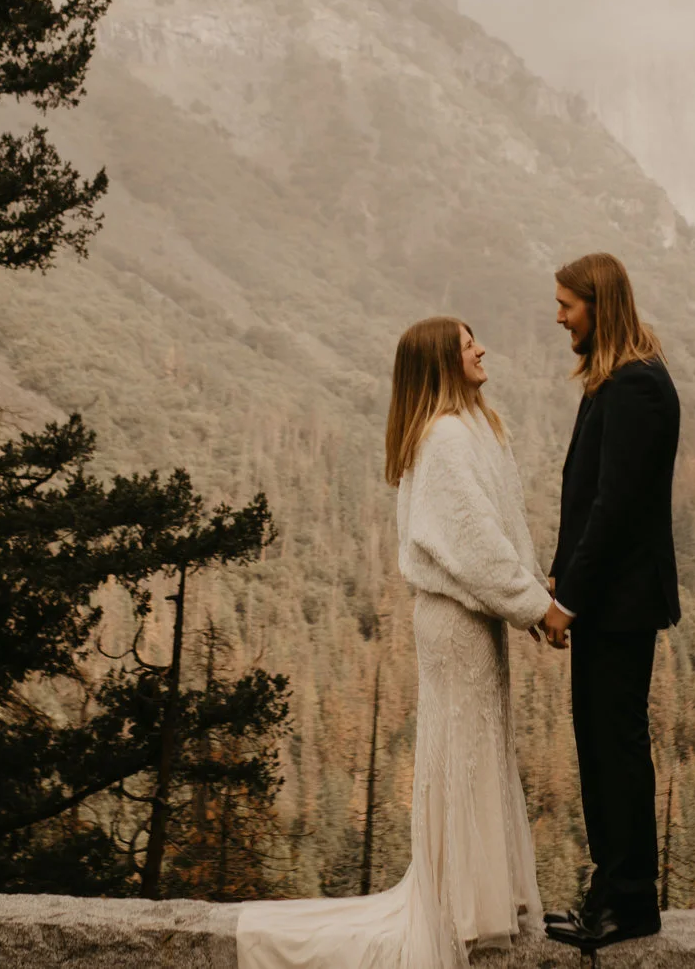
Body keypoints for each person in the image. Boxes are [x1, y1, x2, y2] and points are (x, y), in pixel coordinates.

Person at [235, 317, 569, 969]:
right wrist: (537, 606)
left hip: (478, 614)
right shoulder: (444, 436)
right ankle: (460, 909)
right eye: (467, 342)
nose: (481, 348)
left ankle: (476, 900)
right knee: (462, 749)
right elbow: (471, 544)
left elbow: (502, 529)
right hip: (453, 618)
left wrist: (532, 597)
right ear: (443, 361)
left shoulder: (479, 425)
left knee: (480, 745)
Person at [541, 253, 680, 950]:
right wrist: (562, 578)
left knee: (616, 747)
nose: (560, 314)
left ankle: (629, 903)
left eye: (568, 303)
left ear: (601, 304)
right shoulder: (618, 378)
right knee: (600, 743)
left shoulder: (635, 386)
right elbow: (591, 495)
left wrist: (571, 598)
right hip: (606, 595)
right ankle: (611, 891)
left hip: (620, 600)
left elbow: (614, 506)